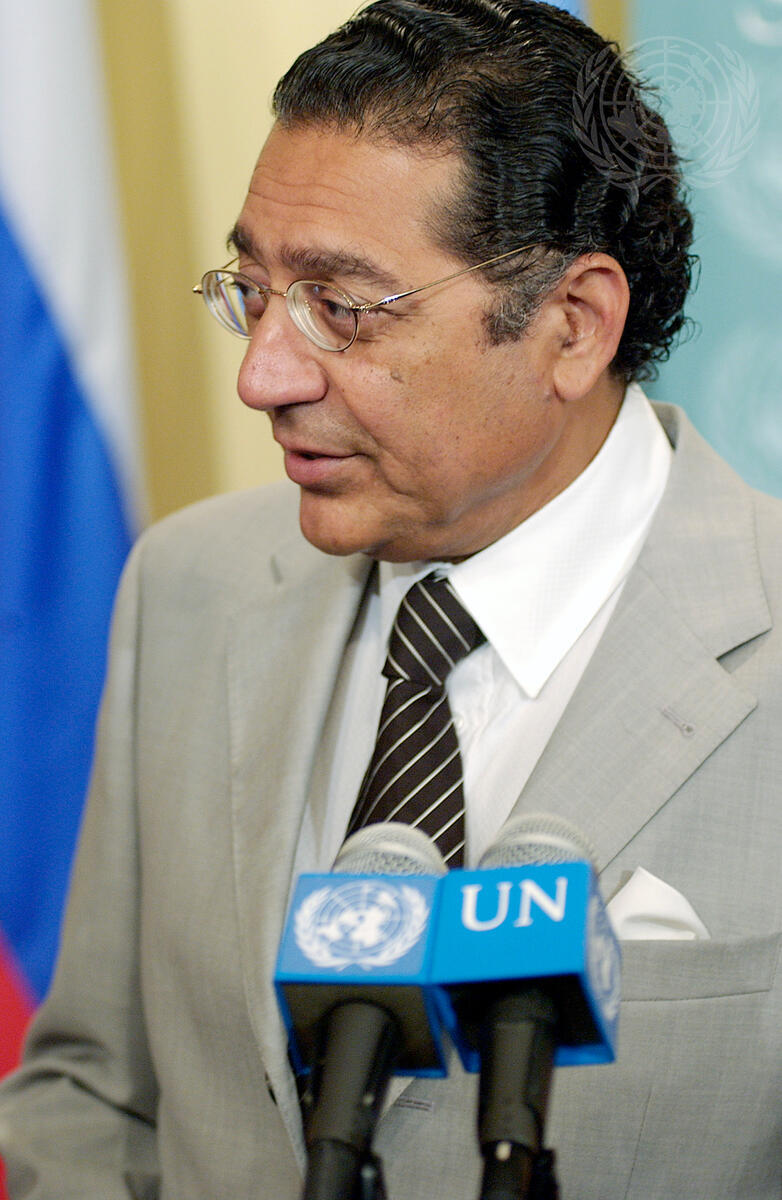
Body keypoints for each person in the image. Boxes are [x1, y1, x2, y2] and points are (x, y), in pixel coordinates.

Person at [1, 1, 781, 1197]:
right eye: (252, 290)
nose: (262, 374)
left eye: (340, 307)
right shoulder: (185, 586)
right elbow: (97, 1094)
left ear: (571, 326)